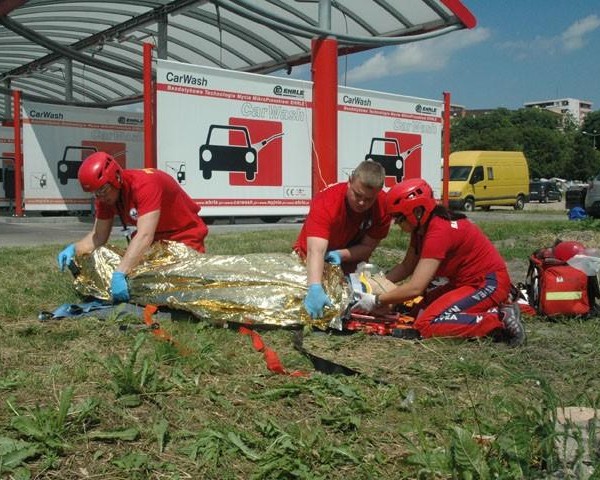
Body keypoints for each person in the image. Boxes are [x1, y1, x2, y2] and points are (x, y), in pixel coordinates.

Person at [352, 178, 526, 347]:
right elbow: (407, 266)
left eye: (399, 218)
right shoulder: (421, 229)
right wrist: (375, 285)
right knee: (413, 313)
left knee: (427, 324)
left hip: (486, 283)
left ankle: (498, 320)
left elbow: (416, 287)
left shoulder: (438, 232)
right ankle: (485, 311)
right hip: (464, 282)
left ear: (417, 211)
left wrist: (376, 300)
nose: (397, 223)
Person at [57, 152, 208, 303]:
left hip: (183, 237)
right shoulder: (105, 198)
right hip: (155, 243)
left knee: (175, 288)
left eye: (103, 190)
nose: (100, 197)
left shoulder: (146, 184)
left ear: (115, 178)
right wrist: (74, 249)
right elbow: (98, 236)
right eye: (95, 193)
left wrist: (120, 273)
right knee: (105, 259)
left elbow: (144, 236)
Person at [294, 160, 391, 318]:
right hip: (310, 259)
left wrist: (340, 255)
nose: (362, 202)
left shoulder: (382, 207)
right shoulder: (327, 201)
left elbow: (367, 247)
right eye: (357, 195)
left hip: (349, 261)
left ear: (379, 192)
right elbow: (315, 251)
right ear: (350, 181)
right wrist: (315, 287)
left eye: (369, 199)